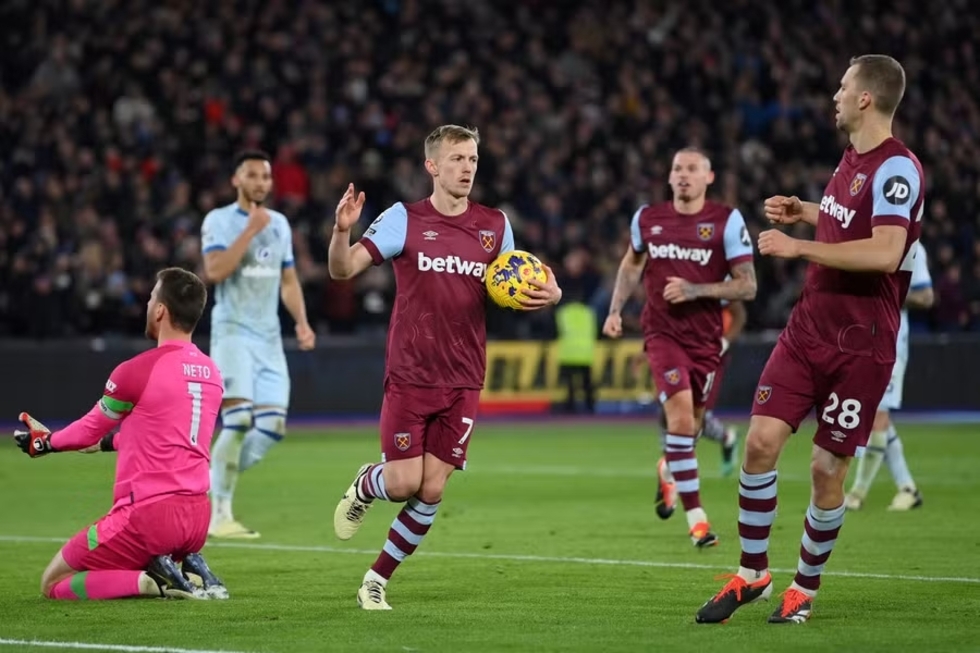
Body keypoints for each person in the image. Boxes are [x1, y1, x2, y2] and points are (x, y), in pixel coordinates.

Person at [695, 54, 924, 624]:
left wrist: (799, 247)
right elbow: (849, 217)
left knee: (827, 470)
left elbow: (885, 252)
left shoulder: (899, 169)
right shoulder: (850, 160)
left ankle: (805, 586)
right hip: (808, 330)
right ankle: (752, 574)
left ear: (866, 98)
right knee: (759, 443)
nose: (835, 95)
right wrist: (809, 212)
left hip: (862, 344)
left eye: (843, 87)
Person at [327, 124, 563, 610]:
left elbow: (519, 281)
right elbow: (342, 270)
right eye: (457, 159)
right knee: (401, 484)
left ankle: (376, 579)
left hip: (464, 378)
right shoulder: (404, 219)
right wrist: (341, 229)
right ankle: (367, 482)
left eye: (473, 159)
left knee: (431, 488)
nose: (467, 168)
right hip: (412, 373)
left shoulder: (495, 225)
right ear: (432, 166)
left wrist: (551, 292)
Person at [13, 268, 228, 601]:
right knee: (140, 551)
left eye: (151, 297)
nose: (147, 304)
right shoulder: (212, 372)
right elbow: (163, 433)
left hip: (148, 517)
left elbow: (87, 428)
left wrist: (45, 442)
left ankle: (153, 583)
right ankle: (187, 564)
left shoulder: (136, 370)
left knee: (54, 583)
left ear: (160, 310)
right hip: (198, 516)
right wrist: (104, 445)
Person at [603, 147, 757, 548]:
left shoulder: (726, 221)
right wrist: (616, 309)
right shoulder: (647, 219)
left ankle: (668, 470)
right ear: (669, 177)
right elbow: (632, 264)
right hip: (662, 335)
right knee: (682, 421)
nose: (683, 175)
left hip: (706, 342)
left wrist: (695, 290)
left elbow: (748, 285)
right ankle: (698, 520)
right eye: (677, 169)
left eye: (692, 169)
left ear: (709, 177)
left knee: (696, 423)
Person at [201, 151, 316, 539]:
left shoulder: (280, 224)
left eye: (266, 177)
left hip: (269, 339)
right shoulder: (219, 220)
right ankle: (219, 514)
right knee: (238, 422)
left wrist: (301, 322)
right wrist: (249, 230)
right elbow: (214, 272)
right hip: (232, 333)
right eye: (252, 176)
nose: (261, 183)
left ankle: (202, 480)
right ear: (237, 180)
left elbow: (288, 280)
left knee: (272, 427)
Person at [845, 240, 934, 511]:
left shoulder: (912, 249)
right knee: (872, 414)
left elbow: (926, 297)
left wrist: (884, 294)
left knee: (878, 417)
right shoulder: (861, 242)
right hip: (861, 341)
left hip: (891, 344)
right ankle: (907, 488)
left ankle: (856, 494)